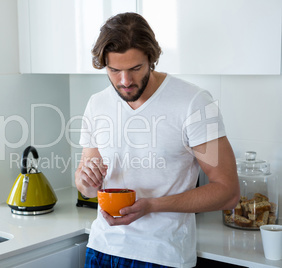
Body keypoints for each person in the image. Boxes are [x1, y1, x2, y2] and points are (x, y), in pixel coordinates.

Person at [75, 12, 240, 268]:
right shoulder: (97, 104)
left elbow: (228, 192)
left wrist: (152, 206)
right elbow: (87, 188)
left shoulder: (193, 103)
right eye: (115, 70)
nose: (125, 81)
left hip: (162, 256)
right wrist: (85, 181)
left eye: (135, 68)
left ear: (152, 59)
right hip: (101, 249)